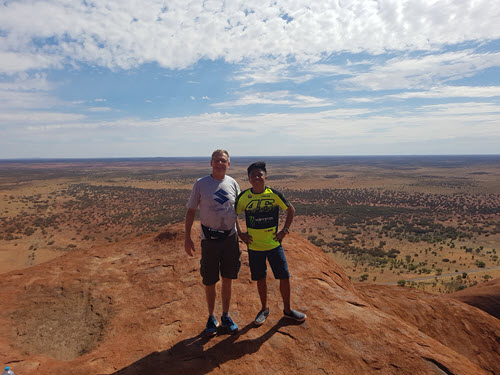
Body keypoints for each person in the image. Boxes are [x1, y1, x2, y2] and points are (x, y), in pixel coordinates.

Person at [235, 161, 306, 325]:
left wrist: (284, 231)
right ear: (249, 178)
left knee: (284, 276)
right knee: (261, 278)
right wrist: (240, 233)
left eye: (259, 174)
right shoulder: (244, 197)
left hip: (274, 245)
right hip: (254, 246)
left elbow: (291, 210)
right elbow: (233, 213)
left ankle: (287, 310)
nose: (257, 177)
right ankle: (264, 309)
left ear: (265, 177)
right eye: (253, 175)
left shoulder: (274, 194)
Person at [184, 149, 241, 336]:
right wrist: (187, 237)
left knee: (227, 278)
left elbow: (237, 210)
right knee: (210, 280)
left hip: (230, 238)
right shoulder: (201, 184)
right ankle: (211, 316)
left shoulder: (233, 183)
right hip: (209, 240)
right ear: (211, 163)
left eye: (223, 161)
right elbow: (191, 211)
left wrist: (241, 232)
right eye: (216, 160)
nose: (219, 164)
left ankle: (225, 315)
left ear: (228, 164)